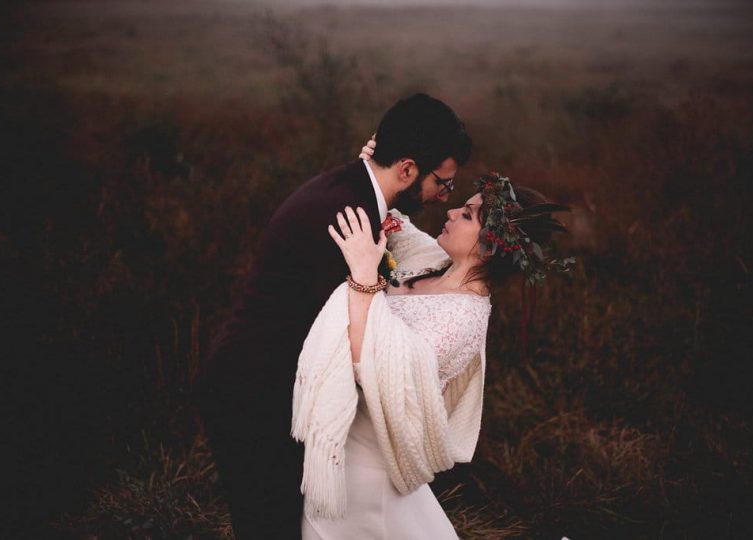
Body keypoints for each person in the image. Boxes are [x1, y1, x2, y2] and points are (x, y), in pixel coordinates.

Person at [192, 94, 472, 539]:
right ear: (406, 168)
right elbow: (357, 334)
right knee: (270, 527)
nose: (444, 194)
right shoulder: (350, 218)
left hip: (263, 382)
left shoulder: (354, 191)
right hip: (255, 392)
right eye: (443, 181)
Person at [292, 142, 570, 538]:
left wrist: (363, 276)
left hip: (367, 469)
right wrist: (375, 167)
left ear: (490, 245)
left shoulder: (463, 319)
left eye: (469, 214)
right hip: (344, 445)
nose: (453, 212)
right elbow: (389, 214)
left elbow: (372, 371)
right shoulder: (433, 262)